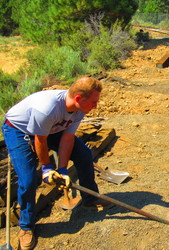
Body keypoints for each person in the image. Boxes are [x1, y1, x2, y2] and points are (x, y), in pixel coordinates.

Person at [1, 77, 112, 250]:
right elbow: (40, 140)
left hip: (51, 128)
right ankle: (26, 226)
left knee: (84, 154)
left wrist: (62, 169)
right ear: (78, 98)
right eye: (93, 102)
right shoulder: (47, 109)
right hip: (18, 129)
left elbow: (67, 139)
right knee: (28, 178)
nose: (95, 106)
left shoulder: (80, 108)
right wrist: (46, 168)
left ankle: (90, 198)